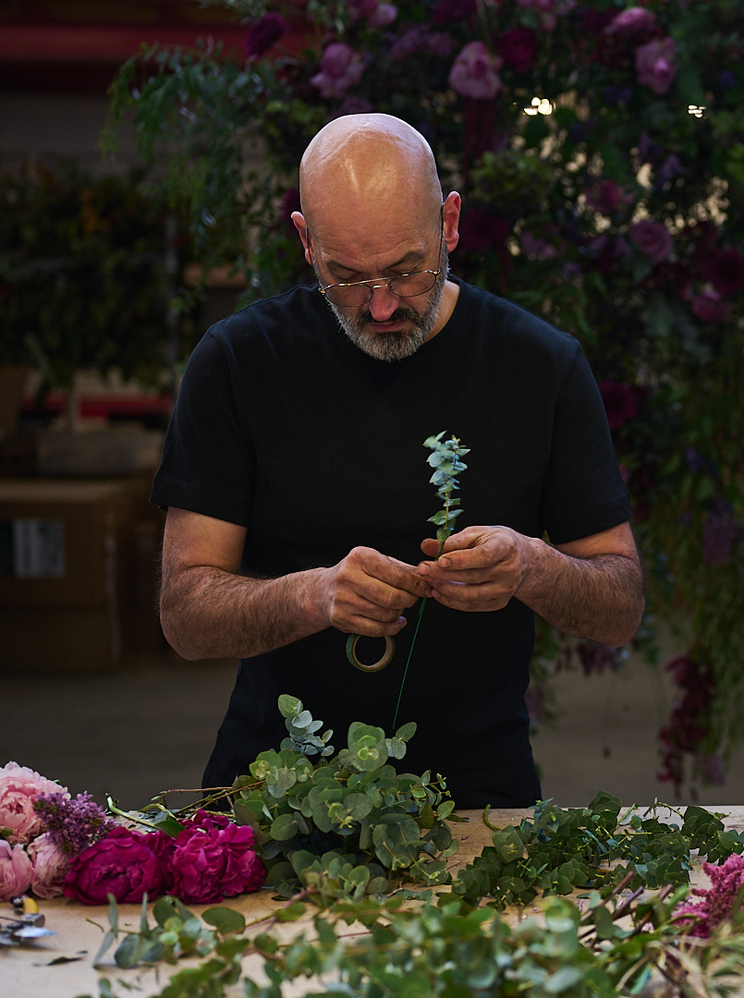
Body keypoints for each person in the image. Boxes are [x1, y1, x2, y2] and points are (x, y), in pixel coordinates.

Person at [152, 113, 644, 809]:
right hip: (273, 799)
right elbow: (185, 614)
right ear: (305, 242)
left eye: (405, 271)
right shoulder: (239, 362)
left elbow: (620, 604)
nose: (380, 305)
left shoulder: (539, 366)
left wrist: (533, 566)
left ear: (449, 224)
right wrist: (313, 596)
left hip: (477, 801)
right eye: (345, 278)